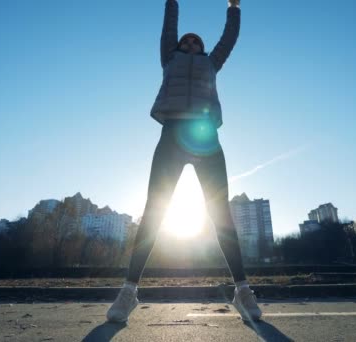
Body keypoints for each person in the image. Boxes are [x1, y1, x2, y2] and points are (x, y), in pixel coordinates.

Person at [106, 0, 261, 323]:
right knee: (154, 212)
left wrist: (233, 7)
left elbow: (229, 38)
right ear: (177, 47)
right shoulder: (169, 58)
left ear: (203, 50)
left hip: (206, 139)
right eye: (186, 40)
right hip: (172, 135)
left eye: (196, 41)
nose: (190, 42)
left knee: (221, 215)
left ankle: (242, 291)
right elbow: (168, 28)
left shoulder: (212, 63)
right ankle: (128, 292)